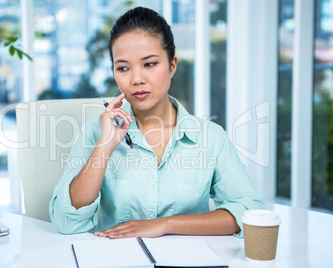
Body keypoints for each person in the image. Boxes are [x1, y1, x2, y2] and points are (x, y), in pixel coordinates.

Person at [49, 6, 263, 238]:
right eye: (123, 68)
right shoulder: (95, 133)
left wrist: (164, 224)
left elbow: (249, 212)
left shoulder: (210, 137)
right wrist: (104, 147)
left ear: (172, 65)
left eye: (149, 64)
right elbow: (66, 222)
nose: (137, 79)